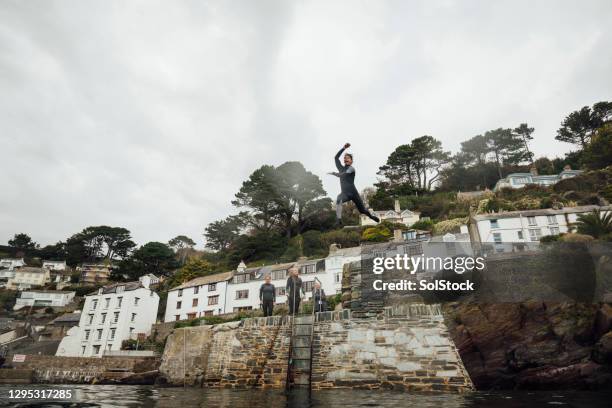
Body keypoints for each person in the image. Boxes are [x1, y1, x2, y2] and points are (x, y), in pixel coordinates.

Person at [329, 142, 380, 226]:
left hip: (354, 194)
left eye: (348, 158)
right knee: (338, 199)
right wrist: (343, 148)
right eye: (345, 158)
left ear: (351, 161)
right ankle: (339, 220)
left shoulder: (351, 169)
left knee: (362, 210)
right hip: (345, 194)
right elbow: (336, 158)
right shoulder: (341, 168)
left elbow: (344, 175)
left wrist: (334, 173)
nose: (346, 159)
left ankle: (371, 216)